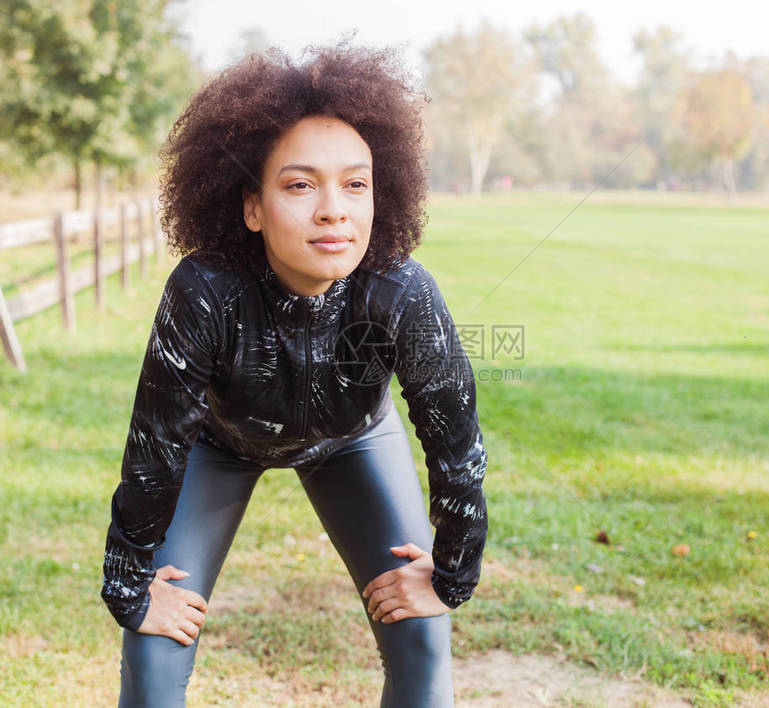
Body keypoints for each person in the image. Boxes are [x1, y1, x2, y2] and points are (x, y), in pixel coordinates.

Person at [99, 41, 489, 708]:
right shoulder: (204, 291)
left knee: (424, 635)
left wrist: (449, 577)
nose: (334, 209)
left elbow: (458, 452)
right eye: (300, 184)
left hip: (354, 440)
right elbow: (155, 446)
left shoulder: (402, 293)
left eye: (356, 183)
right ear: (251, 206)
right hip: (216, 444)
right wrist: (130, 586)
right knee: (154, 645)